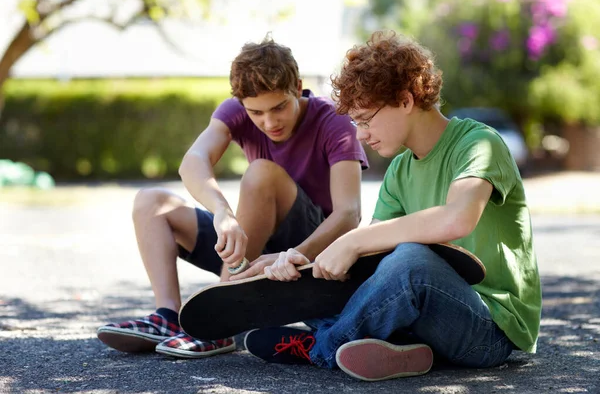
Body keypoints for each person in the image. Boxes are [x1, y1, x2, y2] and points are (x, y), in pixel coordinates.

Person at [244, 30, 542, 382]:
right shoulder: (400, 170)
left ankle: (320, 346)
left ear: (405, 99)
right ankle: (404, 353)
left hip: (489, 329)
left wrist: (353, 240)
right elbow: (378, 267)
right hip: (428, 322)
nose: (360, 134)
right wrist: (304, 264)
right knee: (351, 279)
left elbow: (457, 218)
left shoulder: (479, 144)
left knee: (411, 261)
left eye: (366, 119)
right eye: (356, 122)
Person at [96, 35, 369, 359]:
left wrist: (292, 255)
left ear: (297, 87)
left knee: (260, 173)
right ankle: (169, 317)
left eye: (279, 107)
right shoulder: (234, 111)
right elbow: (192, 162)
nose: (269, 122)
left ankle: (219, 324)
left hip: (308, 257)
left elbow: (349, 214)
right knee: (151, 202)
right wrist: (222, 213)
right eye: (256, 112)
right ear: (241, 103)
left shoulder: (333, 120)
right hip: (253, 250)